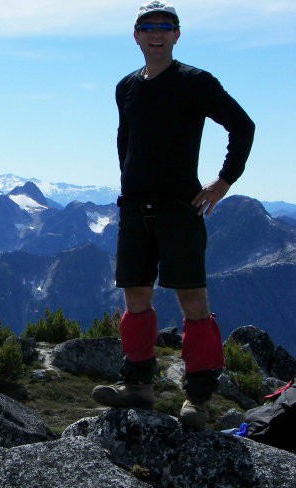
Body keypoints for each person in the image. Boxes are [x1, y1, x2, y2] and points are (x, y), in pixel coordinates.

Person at [92, 1, 255, 428]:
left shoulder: (196, 82)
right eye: (148, 26)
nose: (157, 32)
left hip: (179, 208)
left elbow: (243, 125)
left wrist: (224, 181)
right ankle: (138, 386)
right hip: (135, 208)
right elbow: (124, 140)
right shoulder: (125, 87)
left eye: (166, 26)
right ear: (136, 35)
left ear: (177, 35)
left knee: (193, 301)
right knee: (136, 297)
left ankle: (198, 400)